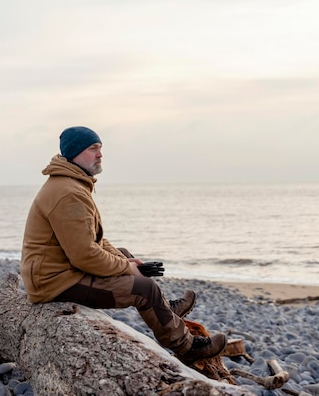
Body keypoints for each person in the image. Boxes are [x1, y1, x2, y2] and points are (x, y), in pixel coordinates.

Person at [20, 126, 227, 365]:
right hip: (54, 283)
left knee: (124, 254)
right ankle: (186, 346)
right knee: (144, 288)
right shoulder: (68, 192)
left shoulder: (73, 183)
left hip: (59, 271)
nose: (100, 154)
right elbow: (84, 256)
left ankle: (165, 310)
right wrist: (127, 269)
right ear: (74, 153)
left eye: (100, 148)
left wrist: (124, 260)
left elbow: (94, 240)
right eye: (92, 149)